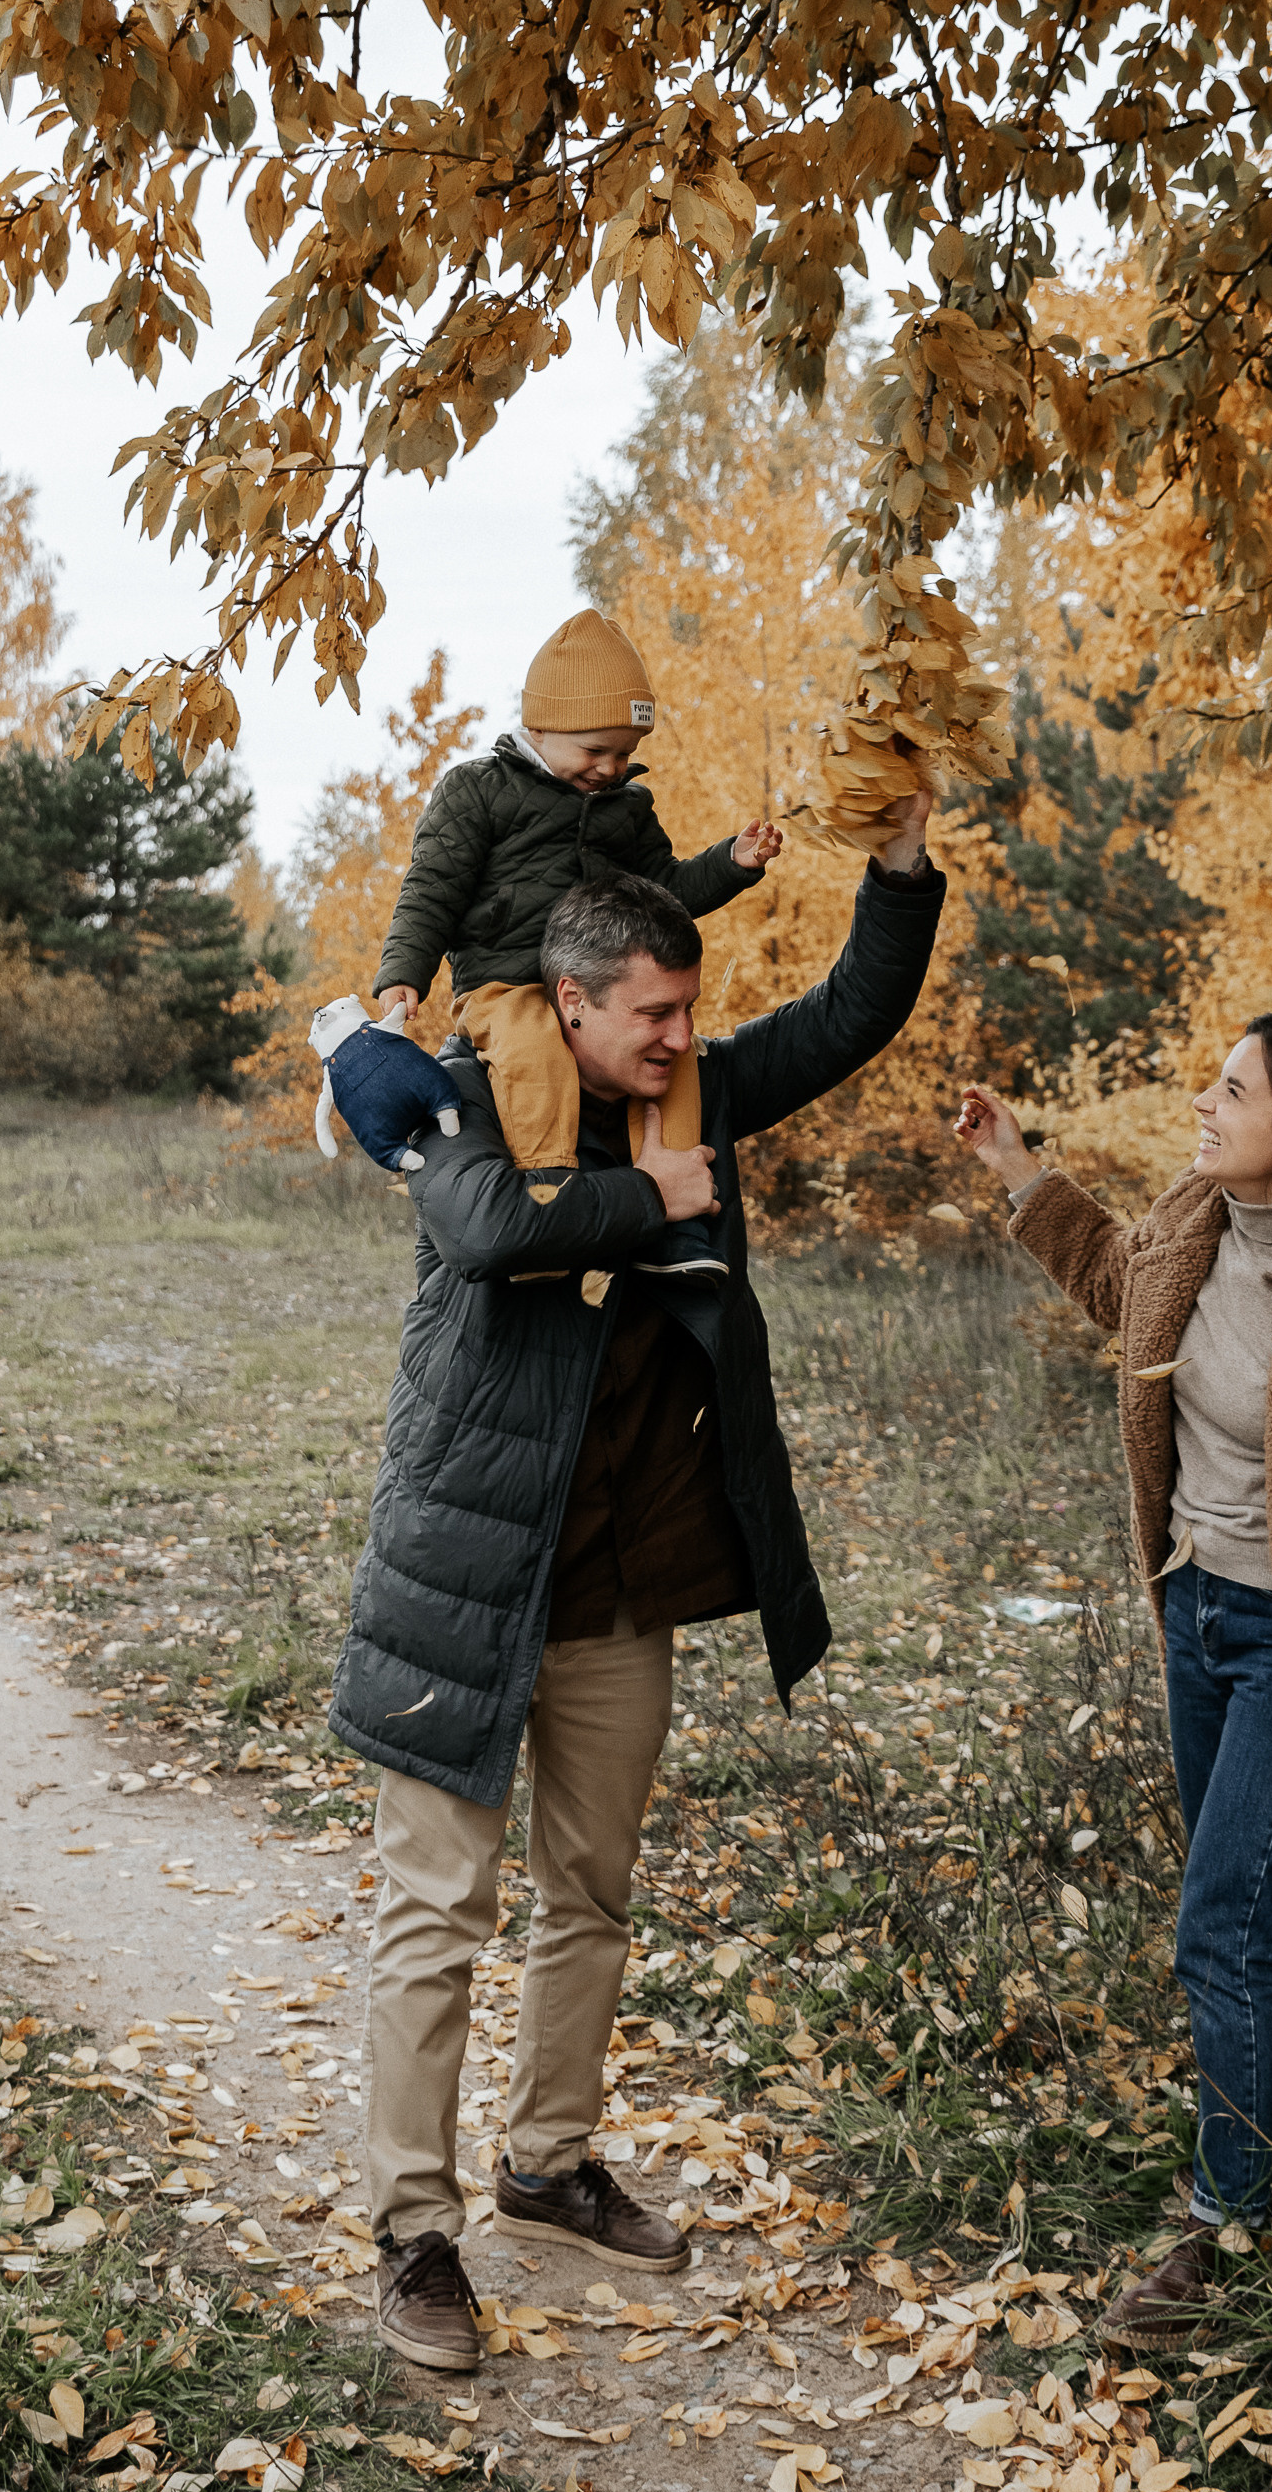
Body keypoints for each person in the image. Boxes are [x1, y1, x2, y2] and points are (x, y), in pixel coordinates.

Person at [339, 800, 944, 2370]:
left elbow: (851, 1019)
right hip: (470, 1579)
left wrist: (897, 870)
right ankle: (414, 2233)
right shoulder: (471, 1088)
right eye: (653, 1014)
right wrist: (651, 1204)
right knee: (436, 1913)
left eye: (690, 1009)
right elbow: (478, 1231)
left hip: (622, 1584)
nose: (683, 1036)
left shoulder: (702, 1097)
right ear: (574, 1003)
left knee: (589, 1896)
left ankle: (547, 2163)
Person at [955, 1011, 1272, 2340]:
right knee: (1261, 1911)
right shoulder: (1192, 1222)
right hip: (1194, 1617)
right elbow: (1124, 1286)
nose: (1202, 1101)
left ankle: (1223, 2222)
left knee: (1221, 1920)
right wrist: (1021, 1170)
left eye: (1230, 1091)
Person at [369, 606, 784, 1177]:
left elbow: (665, 893)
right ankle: (548, 1187)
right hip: (505, 981)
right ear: (540, 727)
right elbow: (432, 889)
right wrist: (404, 975)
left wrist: (730, 864)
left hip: (600, 987)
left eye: (625, 752)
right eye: (596, 751)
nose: (612, 768)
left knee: (680, 1065)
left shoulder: (628, 809)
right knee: (536, 1054)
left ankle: (682, 1195)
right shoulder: (479, 791)